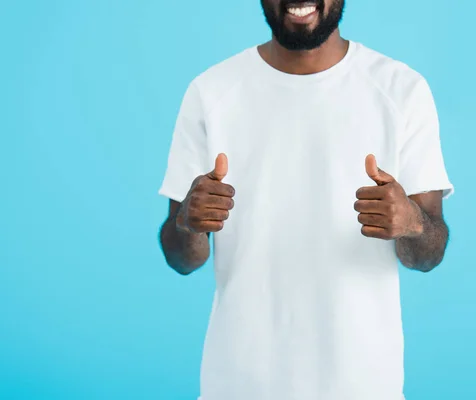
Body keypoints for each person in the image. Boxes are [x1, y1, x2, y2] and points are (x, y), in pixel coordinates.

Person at [158, 0, 454, 399]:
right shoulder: (211, 92)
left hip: (362, 385)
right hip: (239, 384)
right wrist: (188, 224)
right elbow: (182, 259)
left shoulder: (402, 90)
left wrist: (412, 222)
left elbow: (428, 254)